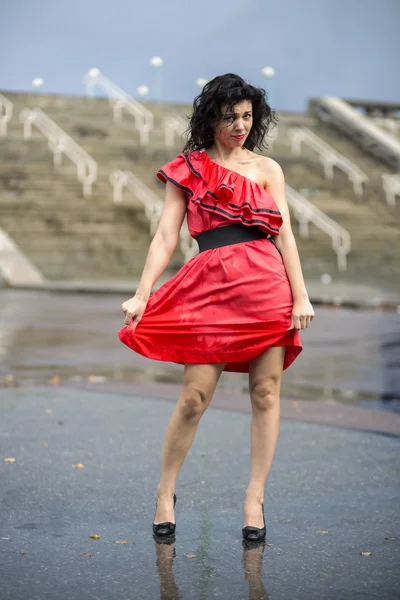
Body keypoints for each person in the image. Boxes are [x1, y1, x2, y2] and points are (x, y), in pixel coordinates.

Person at [119, 73, 314, 542]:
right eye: (231, 117)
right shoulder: (188, 168)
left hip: (267, 287)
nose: (240, 125)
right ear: (211, 117)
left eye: (247, 116)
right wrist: (142, 292)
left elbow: (284, 234)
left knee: (265, 393)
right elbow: (166, 235)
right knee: (193, 398)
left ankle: (254, 498)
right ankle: (166, 492)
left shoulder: (268, 169)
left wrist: (301, 294)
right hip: (211, 286)